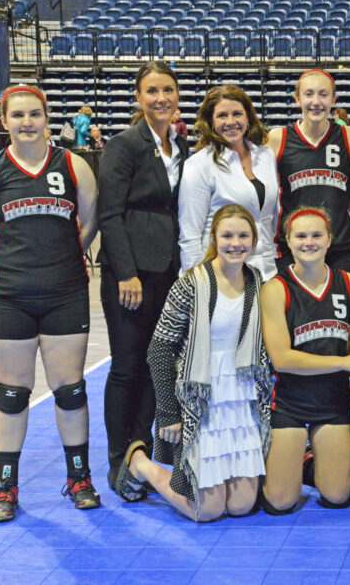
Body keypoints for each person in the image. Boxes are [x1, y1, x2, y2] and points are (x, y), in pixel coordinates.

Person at [0, 84, 99, 522]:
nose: (27, 122)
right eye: (18, 115)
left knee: (70, 390)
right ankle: (4, 489)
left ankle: (79, 478)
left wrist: (65, 262)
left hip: (65, 293)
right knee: (14, 393)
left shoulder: (74, 166)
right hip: (8, 298)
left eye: (35, 114)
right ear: (4, 121)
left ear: (47, 116)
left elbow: (89, 224)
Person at [115, 204, 273, 520]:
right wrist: (168, 413)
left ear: (254, 240)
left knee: (242, 506)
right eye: (227, 235)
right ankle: (140, 463)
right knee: (207, 511)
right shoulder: (190, 284)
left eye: (243, 235)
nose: (235, 243)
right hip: (200, 402)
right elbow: (159, 348)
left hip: (241, 399)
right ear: (214, 238)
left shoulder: (259, 281)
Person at [98, 61, 191, 499]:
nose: (161, 98)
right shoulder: (123, 145)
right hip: (131, 277)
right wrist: (126, 272)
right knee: (127, 366)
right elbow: (110, 214)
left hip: (168, 275)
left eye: (168, 90)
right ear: (139, 97)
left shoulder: (181, 147)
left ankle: (141, 455)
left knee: (157, 369)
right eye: (152, 91)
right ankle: (120, 461)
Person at [259, 207, 350, 512]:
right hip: (289, 403)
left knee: (338, 496)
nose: (308, 242)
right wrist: (345, 364)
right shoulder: (275, 288)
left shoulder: (348, 283)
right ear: (287, 241)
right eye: (300, 236)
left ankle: (314, 459)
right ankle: (287, 460)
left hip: (333, 403)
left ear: (330, 240)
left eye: (317, 235)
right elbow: (282, 359)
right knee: (280, 502)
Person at [179, 85, 279, 280]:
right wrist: (193, 282)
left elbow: (271, 220)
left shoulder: (266, 156)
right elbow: (190, 235)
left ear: (248, 117)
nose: (231, 122)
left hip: (268, 271)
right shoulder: (198, 165)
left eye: (237, 114)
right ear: (211, 122)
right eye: (222, 115)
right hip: (222, 274)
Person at [268, 69, 350, 274]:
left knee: (344, 305)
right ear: (297, 98)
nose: (316, 101)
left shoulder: (347, 136)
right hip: (293, 248)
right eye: (309, 94)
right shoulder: (278, 138)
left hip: (338, 247)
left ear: (333, 99)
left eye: (323, 94)